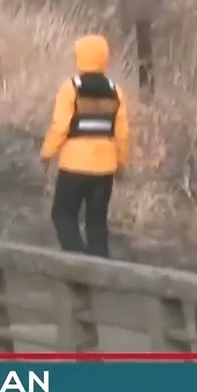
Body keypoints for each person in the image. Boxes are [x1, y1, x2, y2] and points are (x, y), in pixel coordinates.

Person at [39, 34, 130, 257]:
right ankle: (99, 266)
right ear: (104, 58)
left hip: (74, 165)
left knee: (63, 215)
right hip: (105, 168)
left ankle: (77, 262)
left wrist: (47, 154)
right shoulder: (115, 91)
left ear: (79, 57)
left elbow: (60, 127)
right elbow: (122, 133)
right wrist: (121, 163)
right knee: (97, 222)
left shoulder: (71, 88)